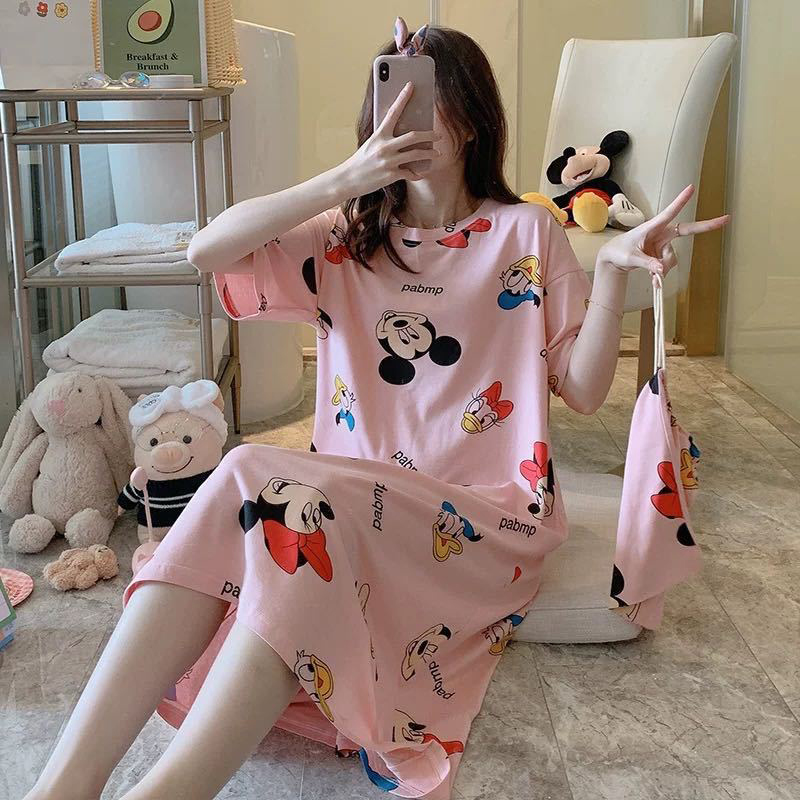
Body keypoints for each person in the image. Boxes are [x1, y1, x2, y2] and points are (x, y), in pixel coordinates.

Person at [22, 24, 729, 800]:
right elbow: (207, 252)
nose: (410, 120)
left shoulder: (526, 231)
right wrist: (344, 179)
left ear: (473, 118)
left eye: (431, 99)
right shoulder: (348, 237)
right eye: (393, 100)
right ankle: (64, 789)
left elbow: (585, 391)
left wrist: (615, 276)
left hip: (483, 522)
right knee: (284, 528)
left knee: (253, 472)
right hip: (344, 511)